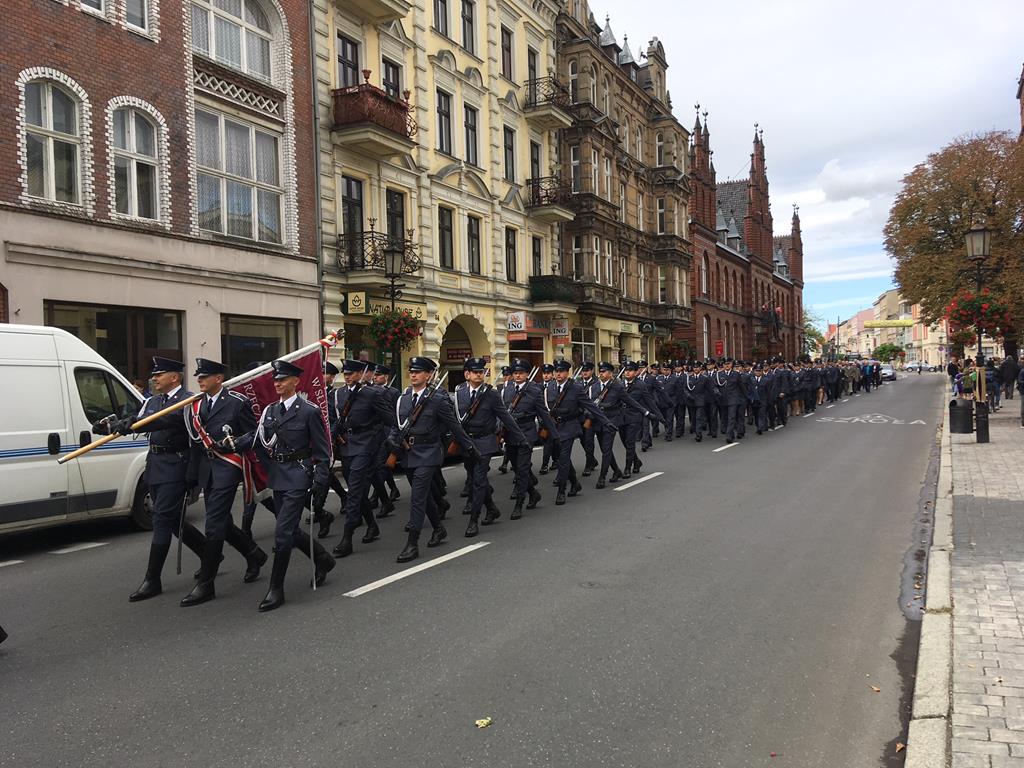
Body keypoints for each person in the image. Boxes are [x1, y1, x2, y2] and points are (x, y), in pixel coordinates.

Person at [92, 357, 207, 603]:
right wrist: (113, 425)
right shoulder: (152, 401)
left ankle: (152, 579)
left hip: (176, 466)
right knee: (172, 519)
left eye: (159, 374)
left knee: (162, 520)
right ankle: (210, 554)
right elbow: (136, 419)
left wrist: (135, 425)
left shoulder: (187, 400)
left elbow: (167, 420)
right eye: (154, 375)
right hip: (154, 466)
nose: (154, 379)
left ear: (174, 377)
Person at [229, 358, 335, 612]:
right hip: (277, 475)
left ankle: (276, 588)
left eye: (282, 379)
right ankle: (323, 559)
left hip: (298, 475)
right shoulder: (270, 411)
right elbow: (257, 437)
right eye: (275, 379)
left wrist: (320, 480)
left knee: (283, 532)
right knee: (287, 529)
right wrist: (230, 443)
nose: (277, 383)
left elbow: (322, 451)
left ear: (295, 382)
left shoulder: (308, 411)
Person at [180, 358, 268, 607]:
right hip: (207, 469)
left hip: (228, 467)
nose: (200, 380)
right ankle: (254, 554)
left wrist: (235, 443)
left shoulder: (238, 402)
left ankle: (206, 584)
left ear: (218, 378)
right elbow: (196, 443)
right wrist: (191, 475)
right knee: (224, 524)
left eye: (204, 376)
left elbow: (253, 433)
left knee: (214, 524)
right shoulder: (195, 406)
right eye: (199, 376)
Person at [388, 357, 478, 561]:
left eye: (418, 372)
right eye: (411, 371)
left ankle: (412, 543)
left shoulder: (437, 399)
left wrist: (470, 448)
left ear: (428, 375)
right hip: (408, 454)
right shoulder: (403, 398)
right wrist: (392, 441)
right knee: (424, 496)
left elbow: (454, 426)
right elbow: (396, 425)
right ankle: (438, 528)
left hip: (428, 453)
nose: (413, 374)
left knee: (417, 497)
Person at [331, 359, 395, 559]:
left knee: (354, 491)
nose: (347, 376)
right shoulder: (339, 394)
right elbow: (337, 421)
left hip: (366, 445)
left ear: (361, 373)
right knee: (356, 489)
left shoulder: (371, 394)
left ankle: (347, 538)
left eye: (351, 373)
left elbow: (391, 420)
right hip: (347, 445)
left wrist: (385, 443)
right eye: (345, 373)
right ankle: (373, 526)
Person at [453, 358, 524, 536]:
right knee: (476, 479)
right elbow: (454, 419)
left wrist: (521, 438)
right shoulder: (459, 392)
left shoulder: (491, 394)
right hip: (467, 443)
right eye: (475, 371)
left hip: (485, 442)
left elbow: (505, 417)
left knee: (478, 481)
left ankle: (473, 521)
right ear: (466, 374)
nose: (479, 374)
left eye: (481, 371)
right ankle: (492, 508)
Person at [545, 360, 611, 505]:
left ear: (567, 372)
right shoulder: (549, 387)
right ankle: (574, 482)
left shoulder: (575, 388)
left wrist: (606, 422)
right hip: (555, 427)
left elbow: (590, 406)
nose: (558, 374)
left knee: (563, 458)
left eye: (561, 371)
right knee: (561, 457)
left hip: (569, 426)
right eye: (556, 371)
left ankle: (561, 491)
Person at [500, 358, 558, 519]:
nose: (517, 376)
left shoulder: (534, 391)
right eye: (515, 373)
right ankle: (533, 493)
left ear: (527, 374)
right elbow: (502, 411)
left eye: (521, 373)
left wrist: (554, 434)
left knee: (523, 468)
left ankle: (519, 503)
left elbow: (543, 414)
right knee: (517, 468)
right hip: (511, 433)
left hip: (526, 433)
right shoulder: (507, 390)